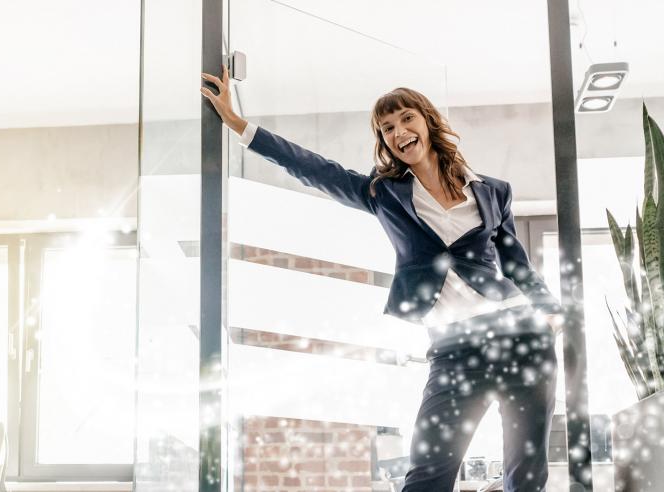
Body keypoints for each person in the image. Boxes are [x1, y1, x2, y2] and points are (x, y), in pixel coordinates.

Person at [202, 67, 562, 492]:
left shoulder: (493, 191)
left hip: (520, 338)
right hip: (454, 349)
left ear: (427, 121)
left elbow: (516, 262)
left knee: (527, 473)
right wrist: (239, 125)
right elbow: (314, 168)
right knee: (428, 474)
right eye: (386, 127)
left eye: (406, 118)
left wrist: (552, 313)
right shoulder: (383, 193)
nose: (398, 131)